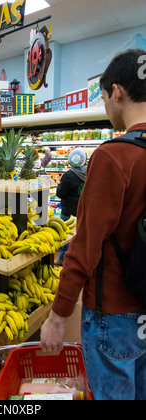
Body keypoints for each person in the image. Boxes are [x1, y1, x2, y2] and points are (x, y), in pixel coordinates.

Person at [40, 49, 146, 400]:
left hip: (114, 314)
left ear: (117, 92)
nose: (105, 107)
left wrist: (58, 316)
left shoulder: (114, 155)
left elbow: (84, 248)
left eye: (102, 98)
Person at [55, 148, 87, 265]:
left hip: (68, 211)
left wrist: (59, 187)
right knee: (79, 235)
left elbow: (60, 193)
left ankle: (62, 259)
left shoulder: (68, 176)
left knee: (66, 235)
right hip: (82, 209)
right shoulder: (89, 172)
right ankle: (77, 260)